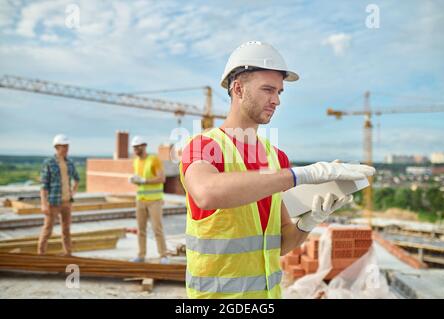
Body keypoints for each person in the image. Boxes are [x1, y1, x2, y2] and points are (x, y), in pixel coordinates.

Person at [180, 41, 376, 298]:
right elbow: (206, 193)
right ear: (238, 89)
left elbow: (281, 244)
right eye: (268, 90)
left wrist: (309, 223)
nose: (277, 100)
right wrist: (299, 175)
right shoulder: (204, 146)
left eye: (280, 92)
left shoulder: (276, 157)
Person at [129, 135, 170, 264]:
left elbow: (162, 178)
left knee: (157, 228)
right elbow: (141, 182)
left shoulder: (154, 160)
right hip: (140, 200)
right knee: (140, 229)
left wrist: (144, 180)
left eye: (137, 147)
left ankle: (163, 255)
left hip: (154, 201)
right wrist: (135, 181)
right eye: (134, 147)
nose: (135, 149)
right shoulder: (136, 161)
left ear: (144, 146)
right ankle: (141, 255)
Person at [38, 134, 79, 256]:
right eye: (64, 146)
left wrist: (73, 192)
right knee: (47, 230)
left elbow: (77, 179)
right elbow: (44, 185)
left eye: (67, 146)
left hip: (67, 202)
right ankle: (41, 255)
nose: (66, 149)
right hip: (53, 203)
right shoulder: (49, 163)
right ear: (56, 147)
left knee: (66, 230)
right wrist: (44, 204)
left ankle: (68, 254)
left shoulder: (70, 163)